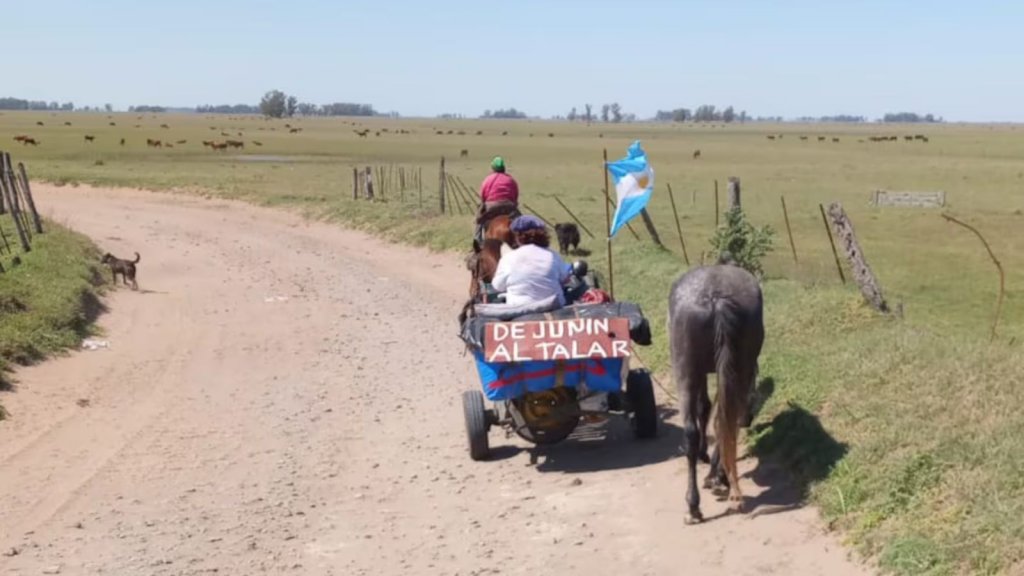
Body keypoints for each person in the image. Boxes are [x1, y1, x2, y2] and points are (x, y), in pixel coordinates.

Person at [490, 215, 572, 308]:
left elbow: (498, 286)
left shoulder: (508, 258)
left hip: (518, 307)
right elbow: (564, 278)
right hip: (553, 306)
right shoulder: (553, 256)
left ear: (518, 236)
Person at [474, 156, 520, 244]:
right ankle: (523, 242)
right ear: (504, 168)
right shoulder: (511, 179)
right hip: (509, 206)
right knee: (520, 221)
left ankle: (478, 241)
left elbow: (483, 196)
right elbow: (515, 195)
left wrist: (483, 205)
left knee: (479, 220)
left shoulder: (488, 179)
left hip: (492, 206)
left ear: (493, 168)